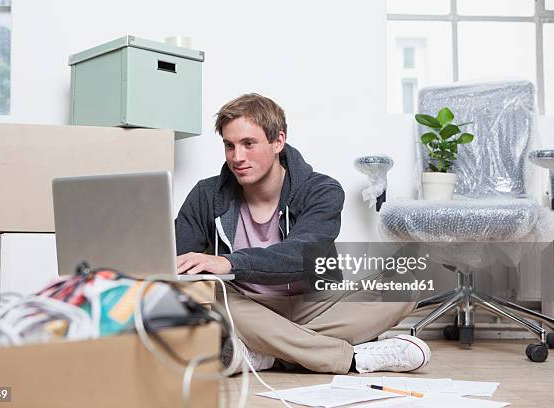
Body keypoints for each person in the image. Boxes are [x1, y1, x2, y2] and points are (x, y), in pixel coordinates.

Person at [175, 93, 430, 374]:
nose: (238, 157)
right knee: (209, 294)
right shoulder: (207, 194)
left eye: (249, 144)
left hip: (312, 303)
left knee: (405, 286)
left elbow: (303, 255)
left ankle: (267, 352)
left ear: (278, 141)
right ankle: (351, 359)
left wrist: (231, 262)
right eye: (229, 145)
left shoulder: (321, 190)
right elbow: (176, 262)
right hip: (244, 305)